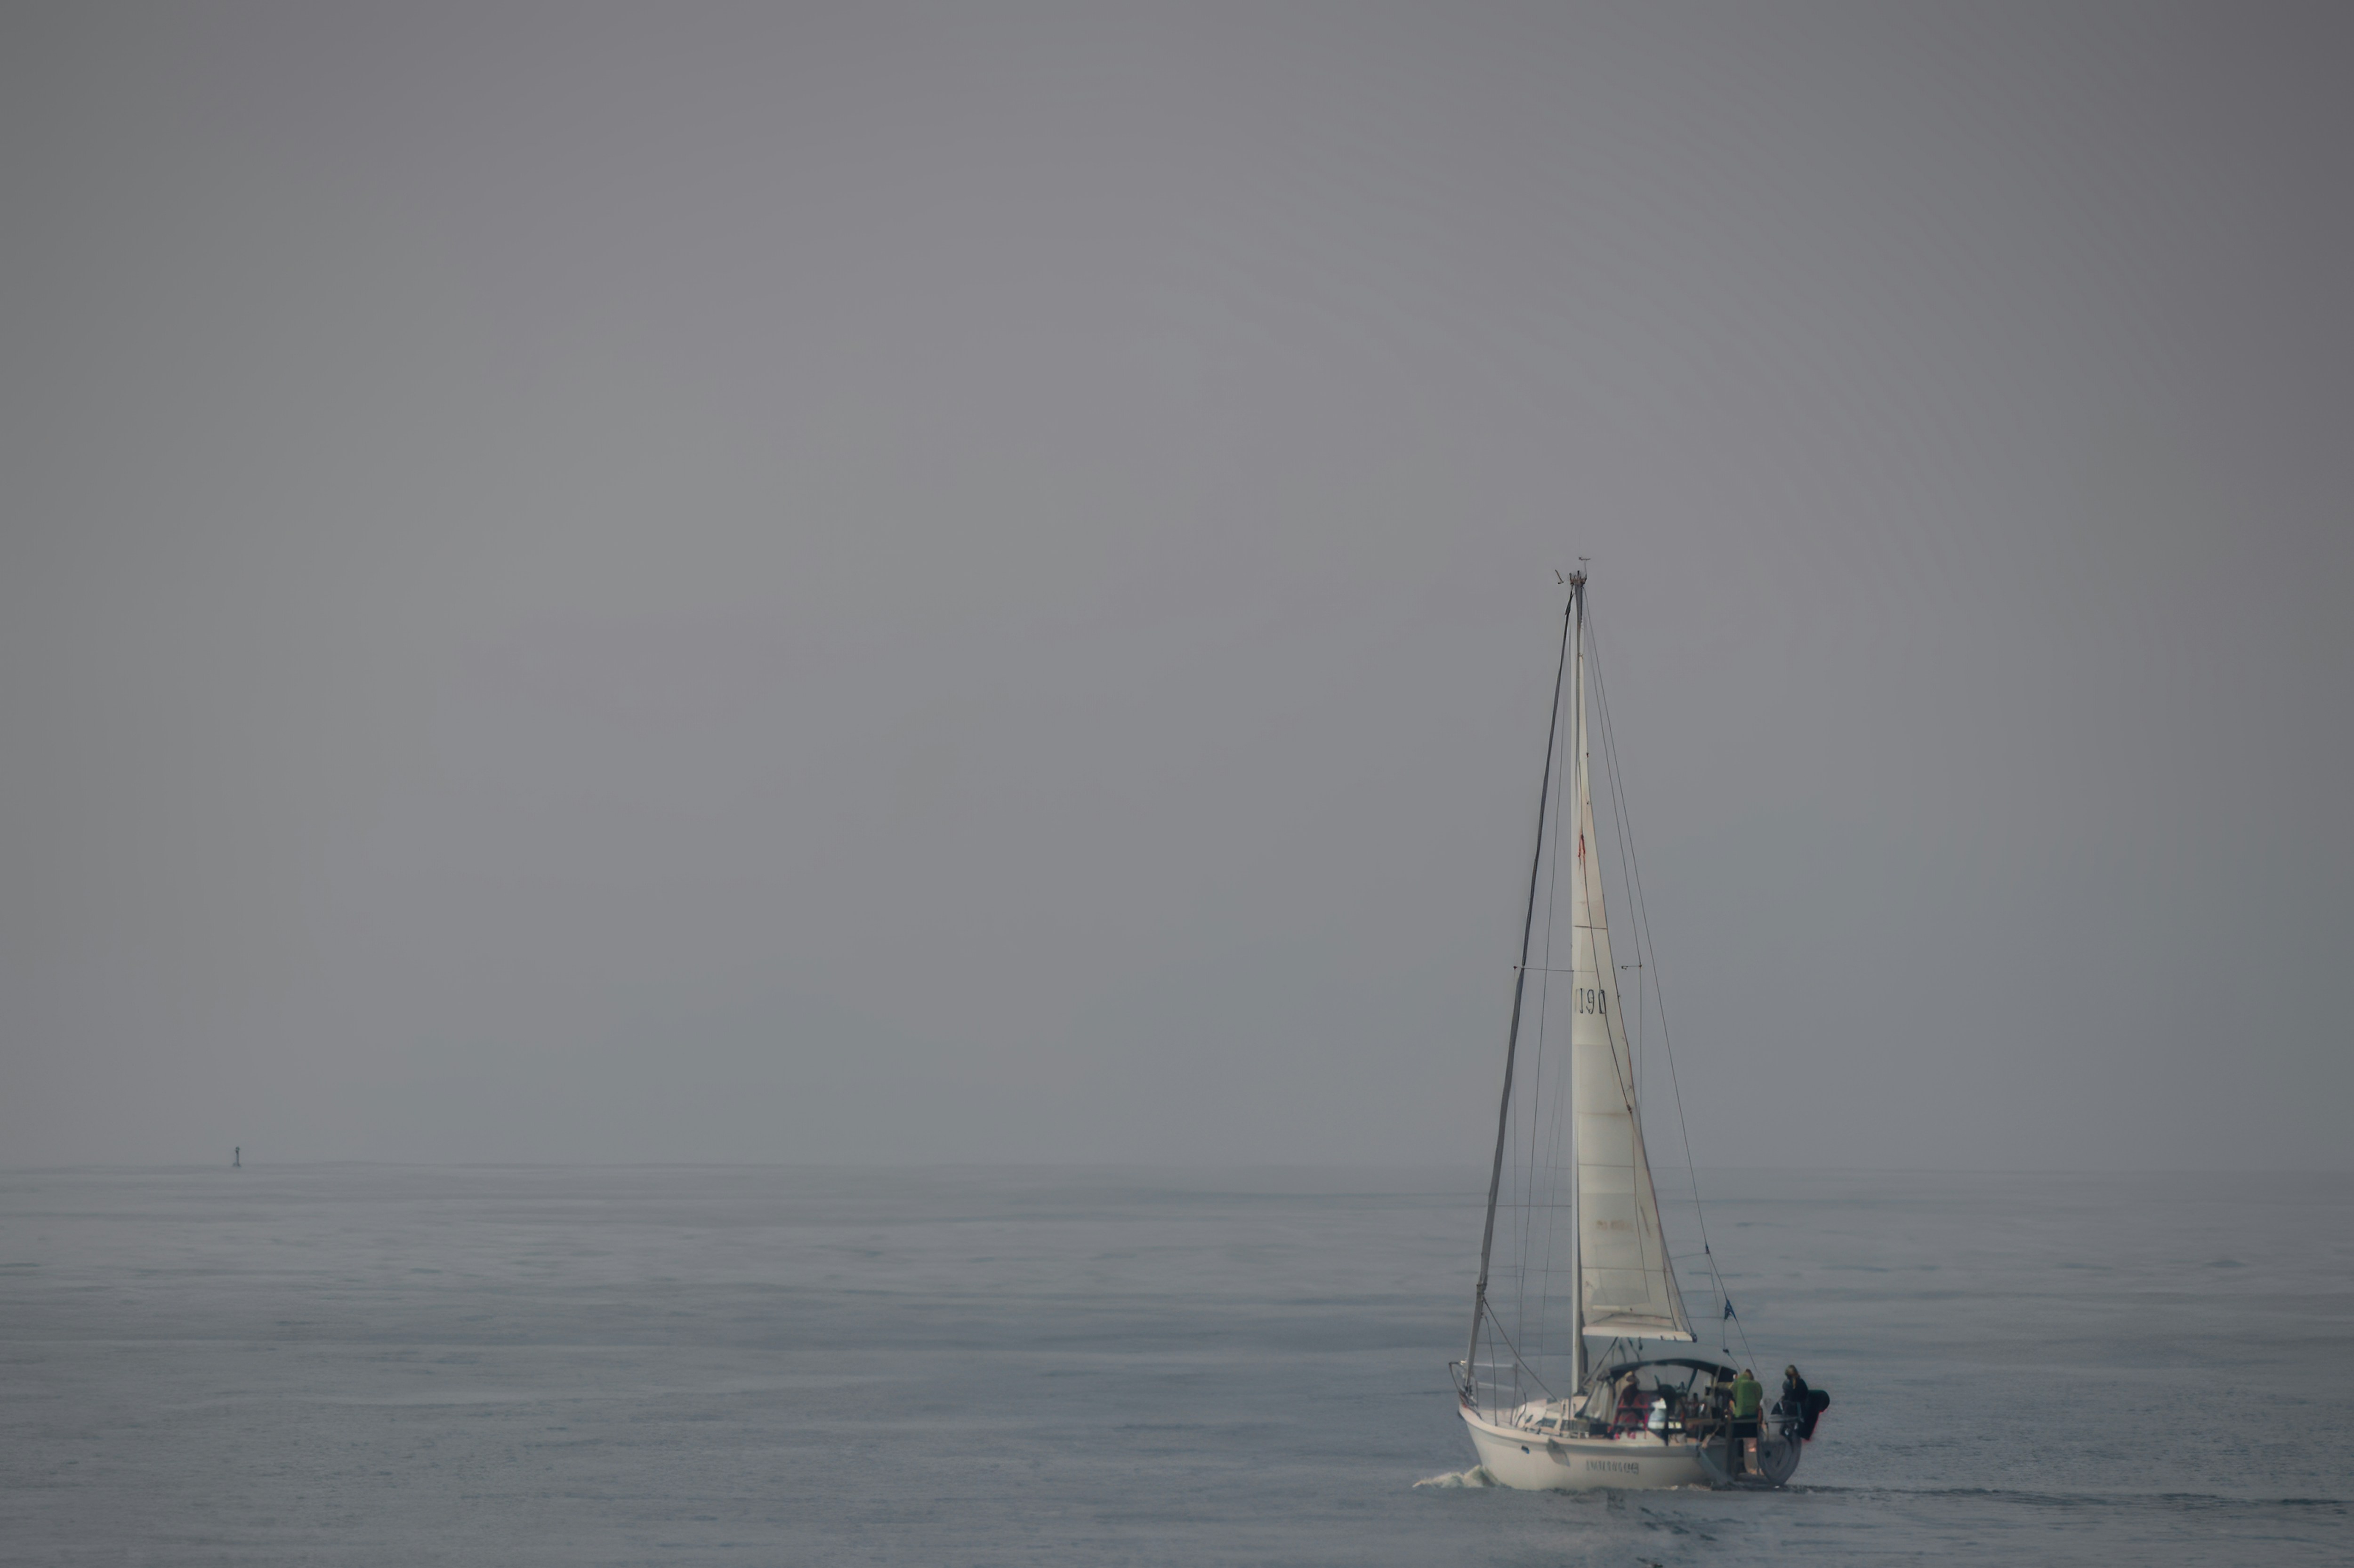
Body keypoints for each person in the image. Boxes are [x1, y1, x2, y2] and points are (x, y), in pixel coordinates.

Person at [1728, 1367, 1762, 1475]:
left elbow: (1731, 1395)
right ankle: (1753, 1468)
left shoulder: (1736, 1384)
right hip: (1752, 1418)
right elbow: (1759, 1397)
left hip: (1739, 1417)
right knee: (1752, 1444)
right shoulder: (1756, 1384)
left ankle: (1736, 1466)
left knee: (1738, 1440)